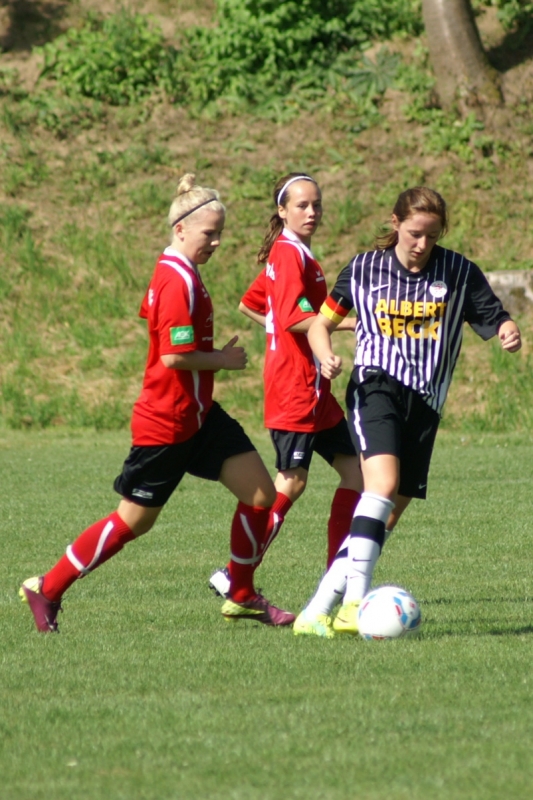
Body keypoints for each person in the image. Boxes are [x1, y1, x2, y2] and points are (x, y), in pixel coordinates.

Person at [20, 173, 295, 633]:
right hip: (166, 423)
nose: (217, 242)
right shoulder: (174, 279)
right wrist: (222, 360)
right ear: (181, 229)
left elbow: (158, 325)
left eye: (220, 233)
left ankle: (242, 593)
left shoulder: (179, 272)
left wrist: (206, 359)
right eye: (210, 233)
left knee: (261, 495)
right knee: (134, 521)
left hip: (200, 416)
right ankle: (47, 588)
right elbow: (171, 355)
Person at [294, 186, 522, 637]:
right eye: (415, 233)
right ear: (395, 223)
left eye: (432, 236)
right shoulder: (364, 268)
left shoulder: (457, 271)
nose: (422, 245)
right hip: (376, 387)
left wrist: (507, 330)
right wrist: (325, 356)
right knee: (381, 485)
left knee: (385, 516)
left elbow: (495, 315)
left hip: (426, 404)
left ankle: (315, 611)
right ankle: (355, 604)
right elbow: (321, 323)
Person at [208, 173, 363, 637]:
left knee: (357, 474)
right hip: (296, 388)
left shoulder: (292, 253)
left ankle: (337, 581)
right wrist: (336, 332)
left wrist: (290, 328)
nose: (311, 212)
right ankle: (235, 577)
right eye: (301, 205)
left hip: (315, 392)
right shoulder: (289, 254)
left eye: (317, 204)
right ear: (282, 210)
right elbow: (296, 317)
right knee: (291, 483)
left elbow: (253, 304)